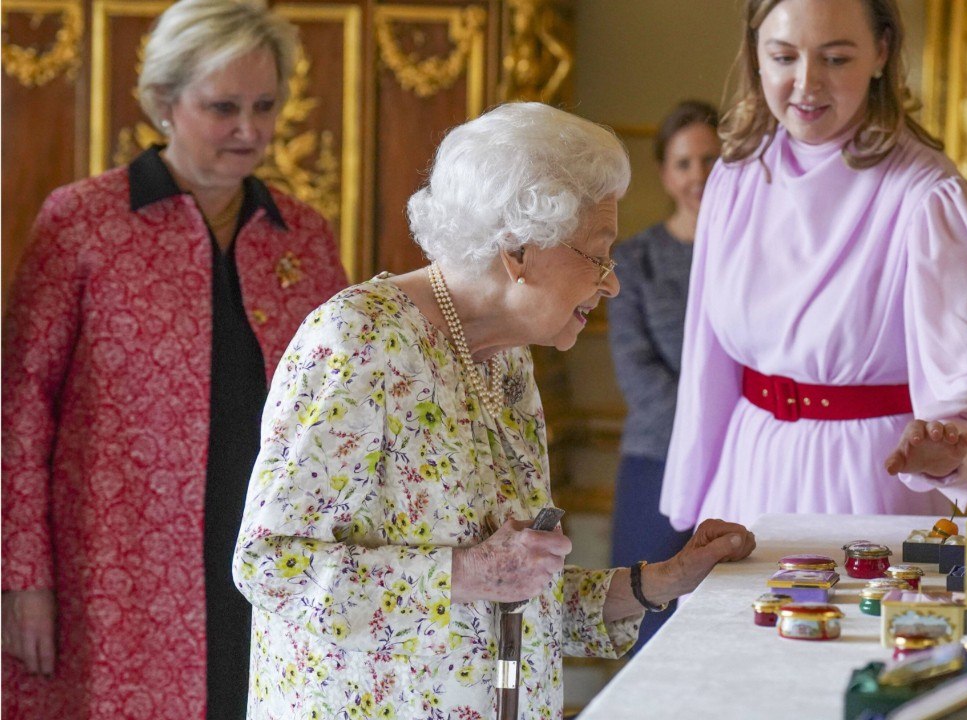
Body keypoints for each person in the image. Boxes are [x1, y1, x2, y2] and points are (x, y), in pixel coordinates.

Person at [232, 102, 755, 719]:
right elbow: (271, 565)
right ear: (518, 250)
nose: (611, 282)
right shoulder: (360, 341)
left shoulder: (505, 358)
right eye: (597, 254)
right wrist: (467, 572)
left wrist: (659, 581)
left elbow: (508, 591)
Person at [0, 1, 350, 718]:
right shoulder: (83, 221)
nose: (250, 129)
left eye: (265, 105)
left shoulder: (304, 235)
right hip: (114, 568)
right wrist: (21, 577)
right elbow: (20, 405)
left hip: (270, 562)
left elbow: (341, 408)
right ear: (165, 102)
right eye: (224, 107)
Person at [660, 0, 967, 533]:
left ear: (881, 51)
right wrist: (696, 496)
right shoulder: (735, 178)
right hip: (749, 470)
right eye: (783, 57)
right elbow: (708, 362)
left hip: (870, 477)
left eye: (835, 59)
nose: (806, 84)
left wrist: (950, 446)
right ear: (756, 54)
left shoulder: (928, 197)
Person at [608, 100, 721, 649]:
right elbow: (635, 369)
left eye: (710, 159)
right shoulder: (635, 259)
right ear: (665, 173)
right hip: (657, 458)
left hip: (737, 462)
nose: (698, 174)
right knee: (647, 624)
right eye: (684, 162)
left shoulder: (757, 254)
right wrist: (714, 420)